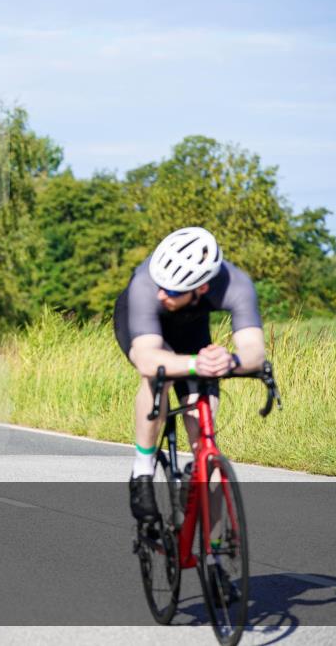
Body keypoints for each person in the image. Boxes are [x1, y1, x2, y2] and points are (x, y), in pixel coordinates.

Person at [113, 227, 265, 596]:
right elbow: (147, 357)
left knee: (206, 438)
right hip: (147, 333)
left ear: (202, 288)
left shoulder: (236, 284)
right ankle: (143, 468)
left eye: (175, 290)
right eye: (163, 285)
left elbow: (254, 352)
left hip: (193, 334)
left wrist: (227, 359)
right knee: (157, 381)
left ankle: (213, 559)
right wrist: (199, 364)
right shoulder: (147, 286)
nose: (164, 292)